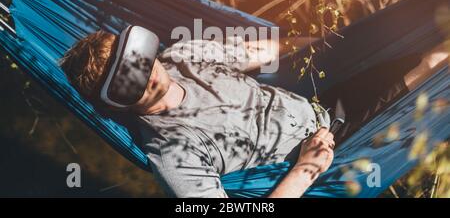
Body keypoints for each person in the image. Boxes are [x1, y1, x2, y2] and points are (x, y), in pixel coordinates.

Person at [59, 27, 448, 198]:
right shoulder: (172, 155)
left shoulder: (182, 56)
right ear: (119, 101)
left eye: (139, 59)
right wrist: (304, 170)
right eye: (130, 80)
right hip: (330, 154)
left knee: (430, 49)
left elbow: (258, 53)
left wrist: (339, 43)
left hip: (322, 102)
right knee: (435, 69)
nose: (148, 73)